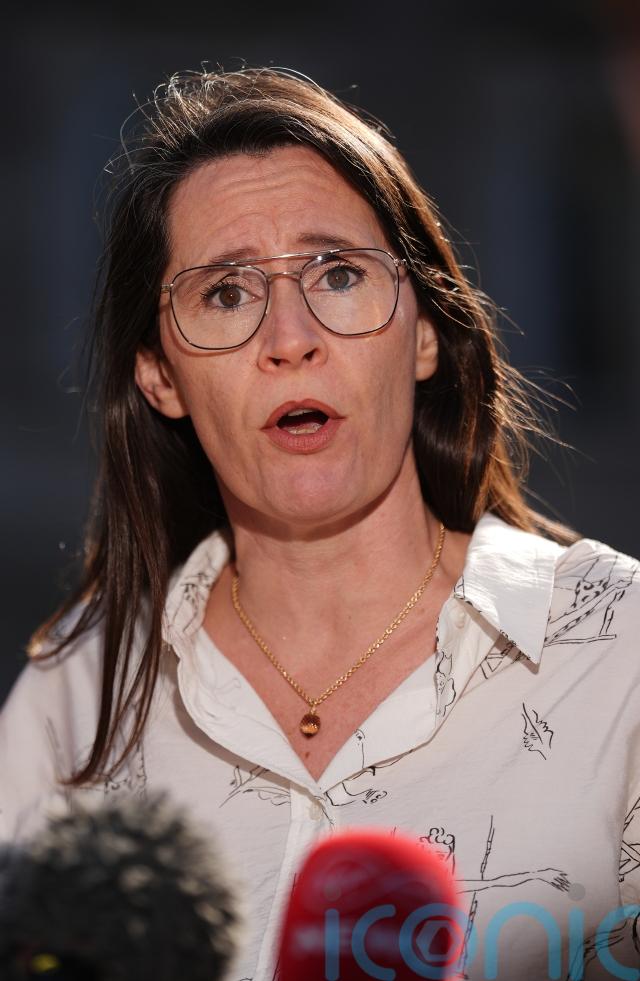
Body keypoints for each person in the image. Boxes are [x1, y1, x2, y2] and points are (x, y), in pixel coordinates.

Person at [1, 67, 638, 980]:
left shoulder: (619, 656)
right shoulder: (76, 693)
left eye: (337, 275)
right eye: (226, 293)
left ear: (424, 332)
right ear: (160, 377)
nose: (289, 337)